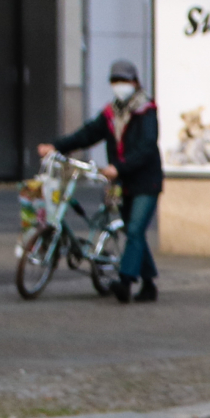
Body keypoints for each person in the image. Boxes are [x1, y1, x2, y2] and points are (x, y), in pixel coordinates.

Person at [38, 59, 161, 304]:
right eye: (115, 81)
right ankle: (148, 284)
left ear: (135, 82)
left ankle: (125, 282)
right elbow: (87, 134)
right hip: (121, 182)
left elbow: (147, 148)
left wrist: (119, 167)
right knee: (132, 231)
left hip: (145, 181)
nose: (119, 86)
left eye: (124, 81)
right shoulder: (110, 114)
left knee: (136, 229)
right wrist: (57, 146)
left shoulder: (146, 111)